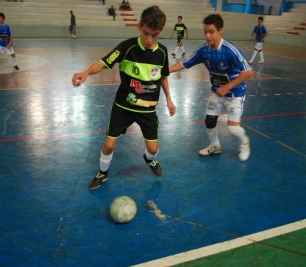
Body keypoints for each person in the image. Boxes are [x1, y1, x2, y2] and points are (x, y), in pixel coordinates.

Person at [72, 5, 176, 190]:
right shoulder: (127, 47)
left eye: (155, 35)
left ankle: (149, 160)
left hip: (148, 110)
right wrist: (86, 71)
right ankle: (102, 173)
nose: (150, 40)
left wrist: (169, 99)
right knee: (109, 144)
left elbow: (163, 76)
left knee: (153, 150)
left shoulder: (162, 52)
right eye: (146, 34)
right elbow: (104, 62)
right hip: (123, 107)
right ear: (139, 27)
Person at [169, 14, 253, 161]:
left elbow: (248, 72)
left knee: (233, 127)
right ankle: (215, 145)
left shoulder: (230, 50)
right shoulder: (203, 50)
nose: (208, 36)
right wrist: (165, 70)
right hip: (216, 92)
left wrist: (227, 87)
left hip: (235, 93)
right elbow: (185, 63)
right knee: (209, 120)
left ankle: (245, 142)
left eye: (211, 31)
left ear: (221, 30)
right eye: (205, 32)